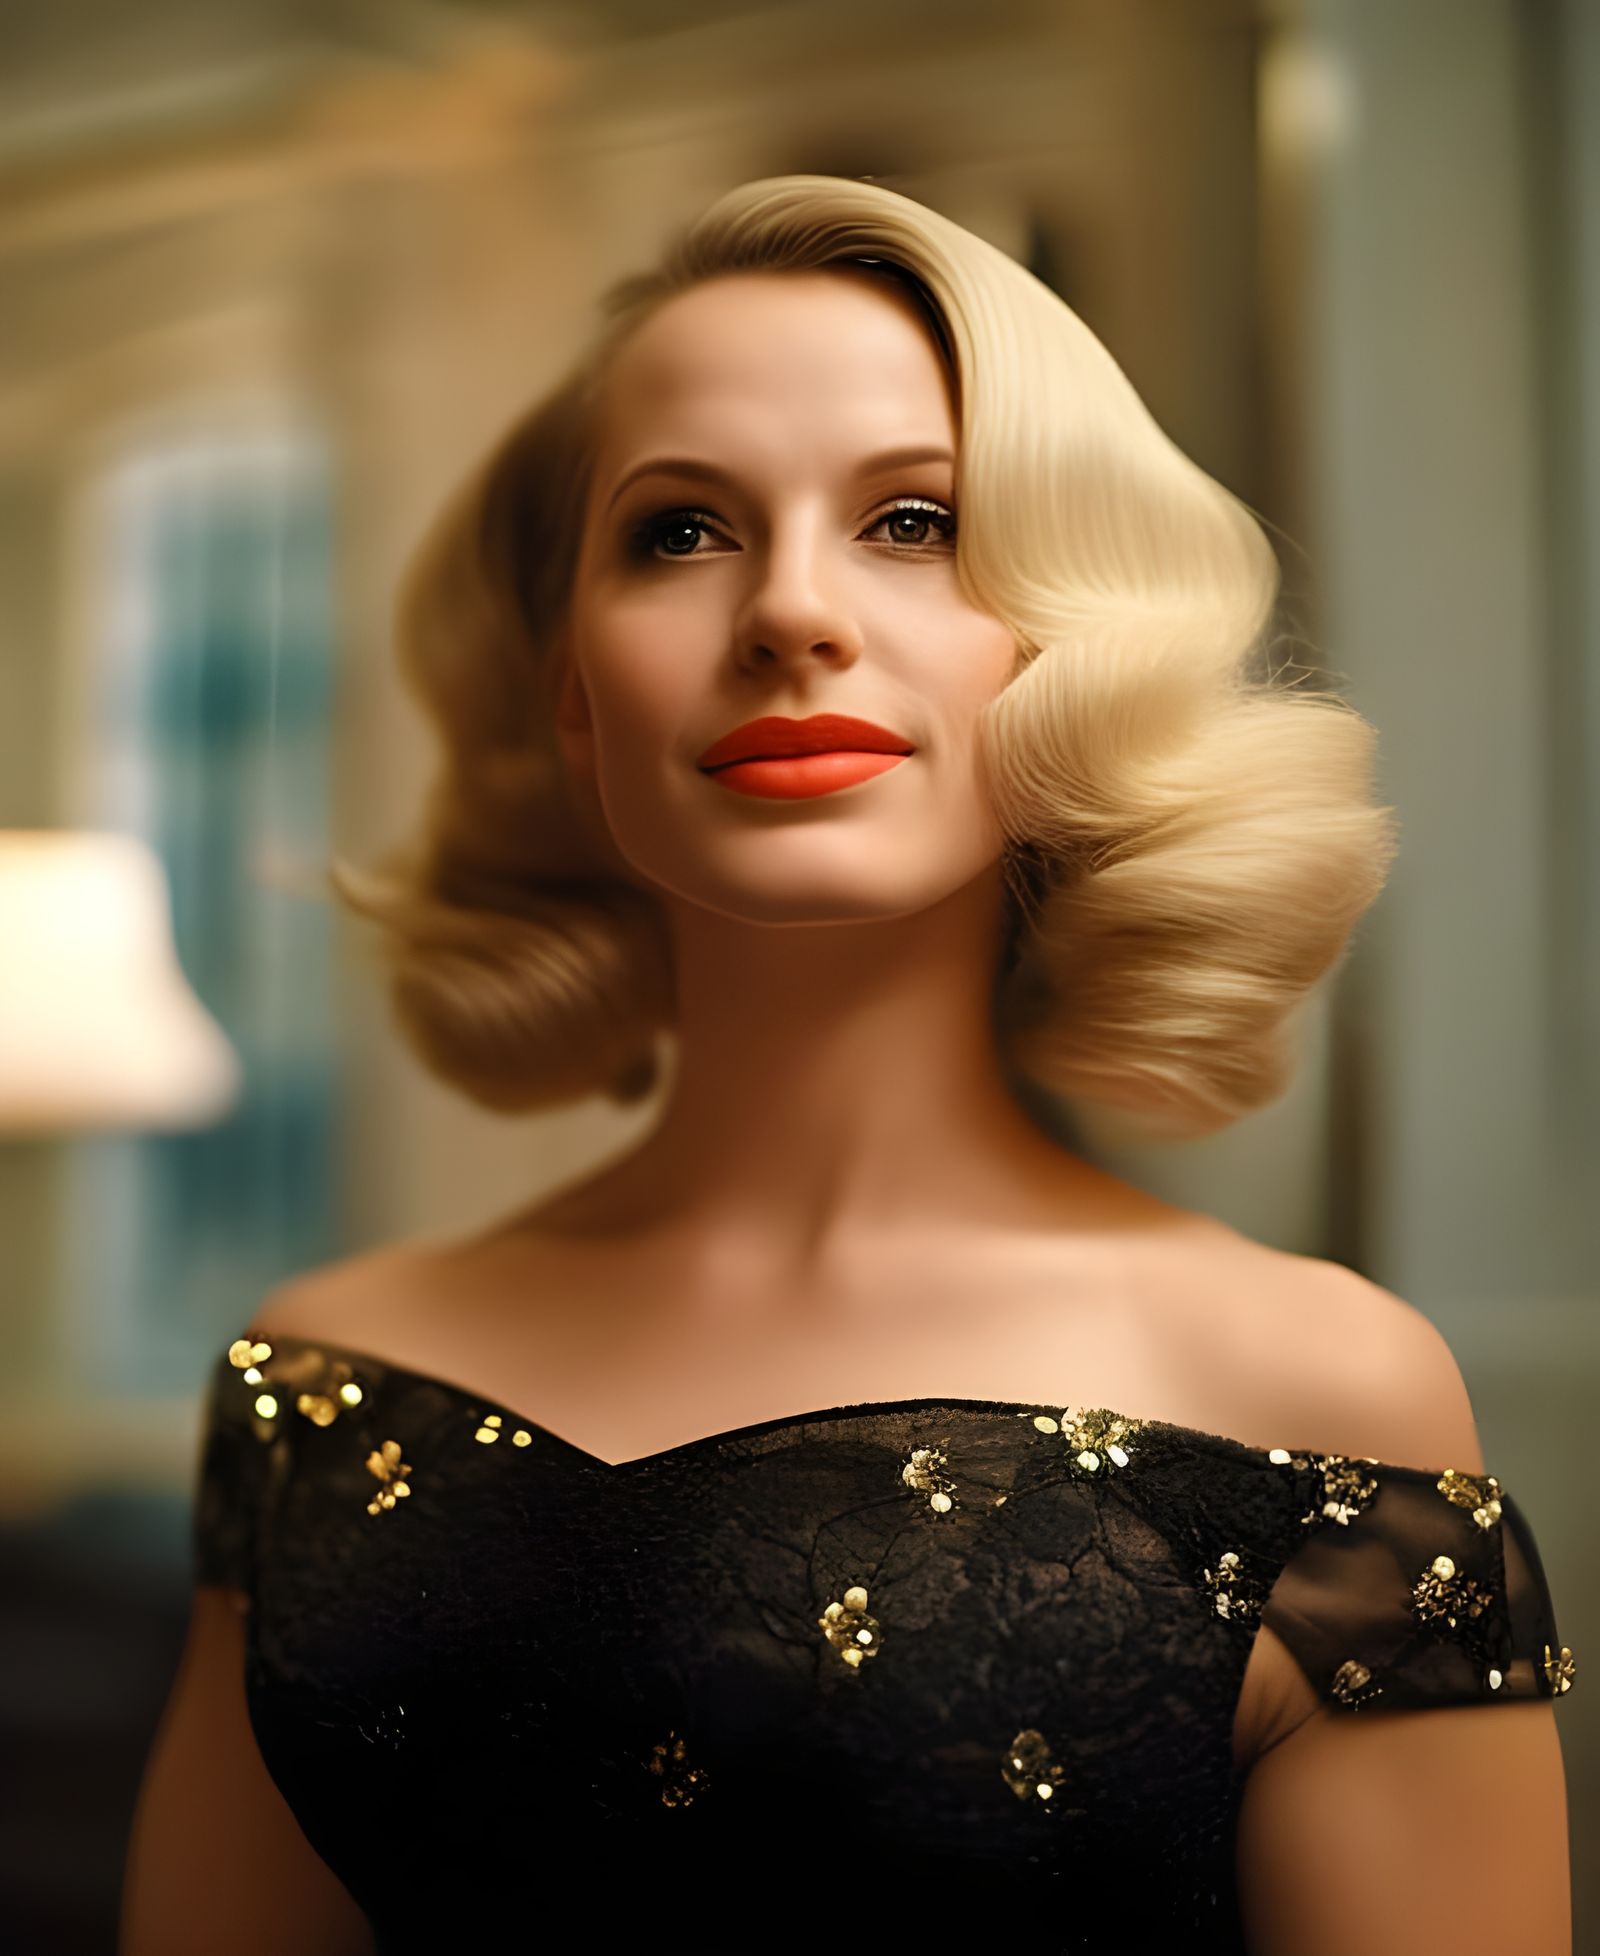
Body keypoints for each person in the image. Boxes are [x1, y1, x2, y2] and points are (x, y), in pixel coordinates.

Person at [121, 174, 1575, 1955]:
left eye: (911, 520)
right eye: (678, 533)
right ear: (574, 701)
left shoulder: (1322, 1395)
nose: (792, 612)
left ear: (1065, 649)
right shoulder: (317, 1393)